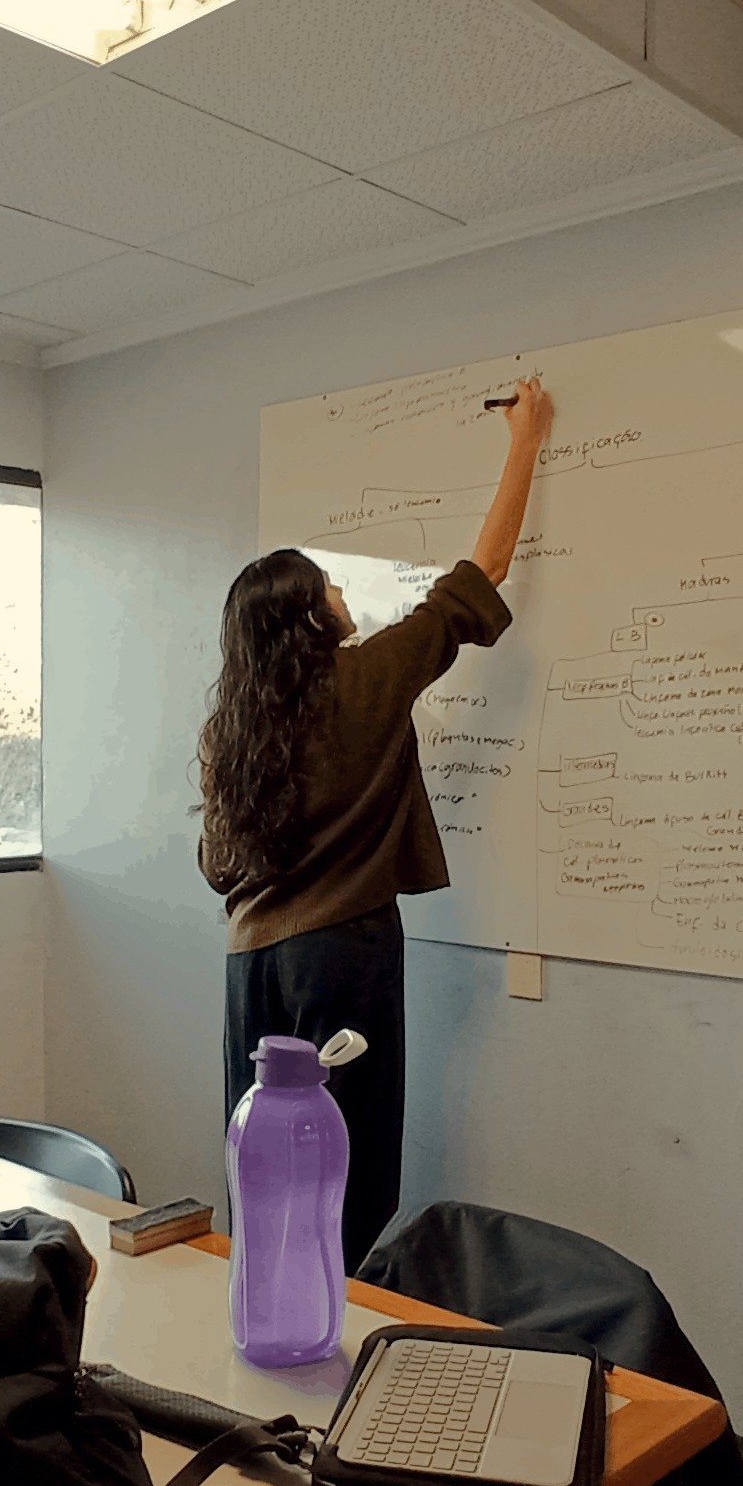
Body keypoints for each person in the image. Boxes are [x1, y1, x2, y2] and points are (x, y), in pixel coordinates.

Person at [200, 379, 552, 1270]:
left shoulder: (231, 728)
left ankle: (261, 1327)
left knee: (264, 1156)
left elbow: (216, 867)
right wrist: (526, 441)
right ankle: (340, 1338)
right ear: (313, 613)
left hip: (252, 965)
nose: (346, 592)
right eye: (331, 584)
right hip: (340, 957)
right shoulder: (367, 678)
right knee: (348, 1163)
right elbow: (483, 579)